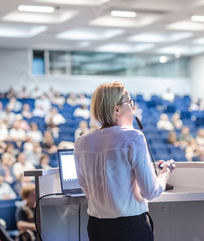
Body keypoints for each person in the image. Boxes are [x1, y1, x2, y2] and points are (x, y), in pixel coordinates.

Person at [74, 81, 175, 241]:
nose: (133, 108)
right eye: (130, 102)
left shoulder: (81, 142)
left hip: (96, 227)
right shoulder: (134, 137)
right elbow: (150, 191)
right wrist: (165, 173)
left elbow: (84, 186)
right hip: (130, 228)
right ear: (116, 109)